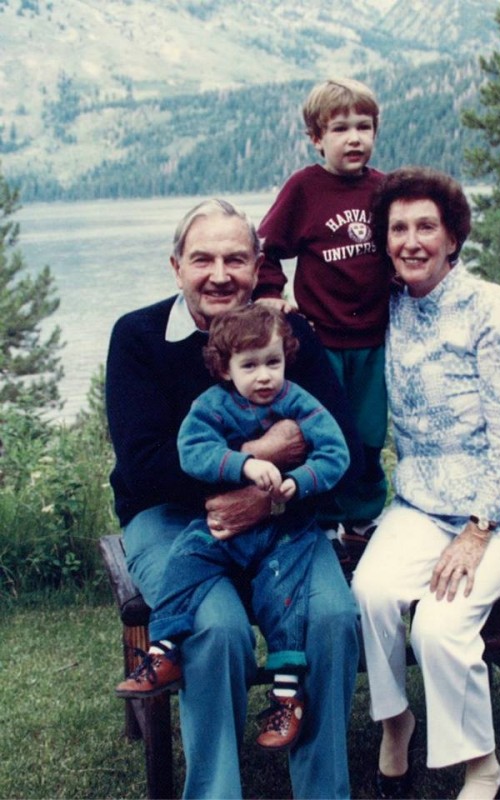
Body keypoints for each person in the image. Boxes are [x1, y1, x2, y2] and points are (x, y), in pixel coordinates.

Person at [106, 198, 362, 798]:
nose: (219, 275)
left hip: (282, 514)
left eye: (235, 259)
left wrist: (267, 499)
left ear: (256, 267)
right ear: (176, 267)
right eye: (203, 259)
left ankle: (323, 791)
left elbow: (343, 445)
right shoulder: (138, 337)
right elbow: (145, 466)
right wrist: (265, 451)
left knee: (332, 617)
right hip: (169, 519)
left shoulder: (289, 335)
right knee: (215, 628)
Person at [351, 167, 500, 800]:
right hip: (421, 501)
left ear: (452, 238)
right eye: (398, 229)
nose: (411, 241)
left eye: (426, 227)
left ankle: (482, 768)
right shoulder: (393, 305)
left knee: (438, 627)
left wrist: (476, 531)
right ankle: (396, 722)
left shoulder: (492, 308)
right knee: (372, 592)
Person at [114, 304, 350, 753]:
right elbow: (191, 452)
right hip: (216, 525)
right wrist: (246, 461)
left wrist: (299, 482)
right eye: (250, 366)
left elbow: (338, 453)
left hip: (284, 527)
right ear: (225, 368)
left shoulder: (299, 402)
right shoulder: (211, 405)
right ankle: (164, 649)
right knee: (187, 562)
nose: (264, 377)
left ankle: (287, 695)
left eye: (273, 363)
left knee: (291, 600)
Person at [254, 77, 392, 545]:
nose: (354, 138)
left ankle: (364, 514)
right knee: (325, 429)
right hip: (322, 340)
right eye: (340, 129)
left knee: (370, 433)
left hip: (373, 337)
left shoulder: (383, 189)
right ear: (317, 138)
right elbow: (265, 248)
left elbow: (402, 248)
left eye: (364, 127)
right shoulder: (304, 189)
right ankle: (324, 516)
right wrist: (270, 293)